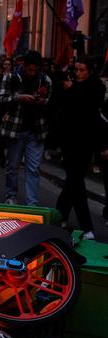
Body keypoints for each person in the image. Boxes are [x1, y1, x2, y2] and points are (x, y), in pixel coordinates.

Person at [56, 57, 105, 240]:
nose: (78, 73)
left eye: (82, 70)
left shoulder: (96, 88)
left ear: (90, 71)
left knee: (73, 182)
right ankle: (86, 227)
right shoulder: (71, 89)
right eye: (76, 69)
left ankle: (59, 214)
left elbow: (91, 110)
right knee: (76, 183)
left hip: (86, 144)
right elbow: (62, 110)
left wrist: (72, 89)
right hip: (69, 143)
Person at [0, 50, 52, 206]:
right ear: (24, 65)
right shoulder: (11, 77)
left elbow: (50, 101)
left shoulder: (45, 80)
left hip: (36, 130)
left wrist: (42, 101)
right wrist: (19, 98)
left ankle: (32, 202)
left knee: (34, 168)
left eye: (36, 70)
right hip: (15, 129)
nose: (32, 73)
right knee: (12, 166)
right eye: (30, 69)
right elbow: (2, 98)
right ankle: (11, 195)